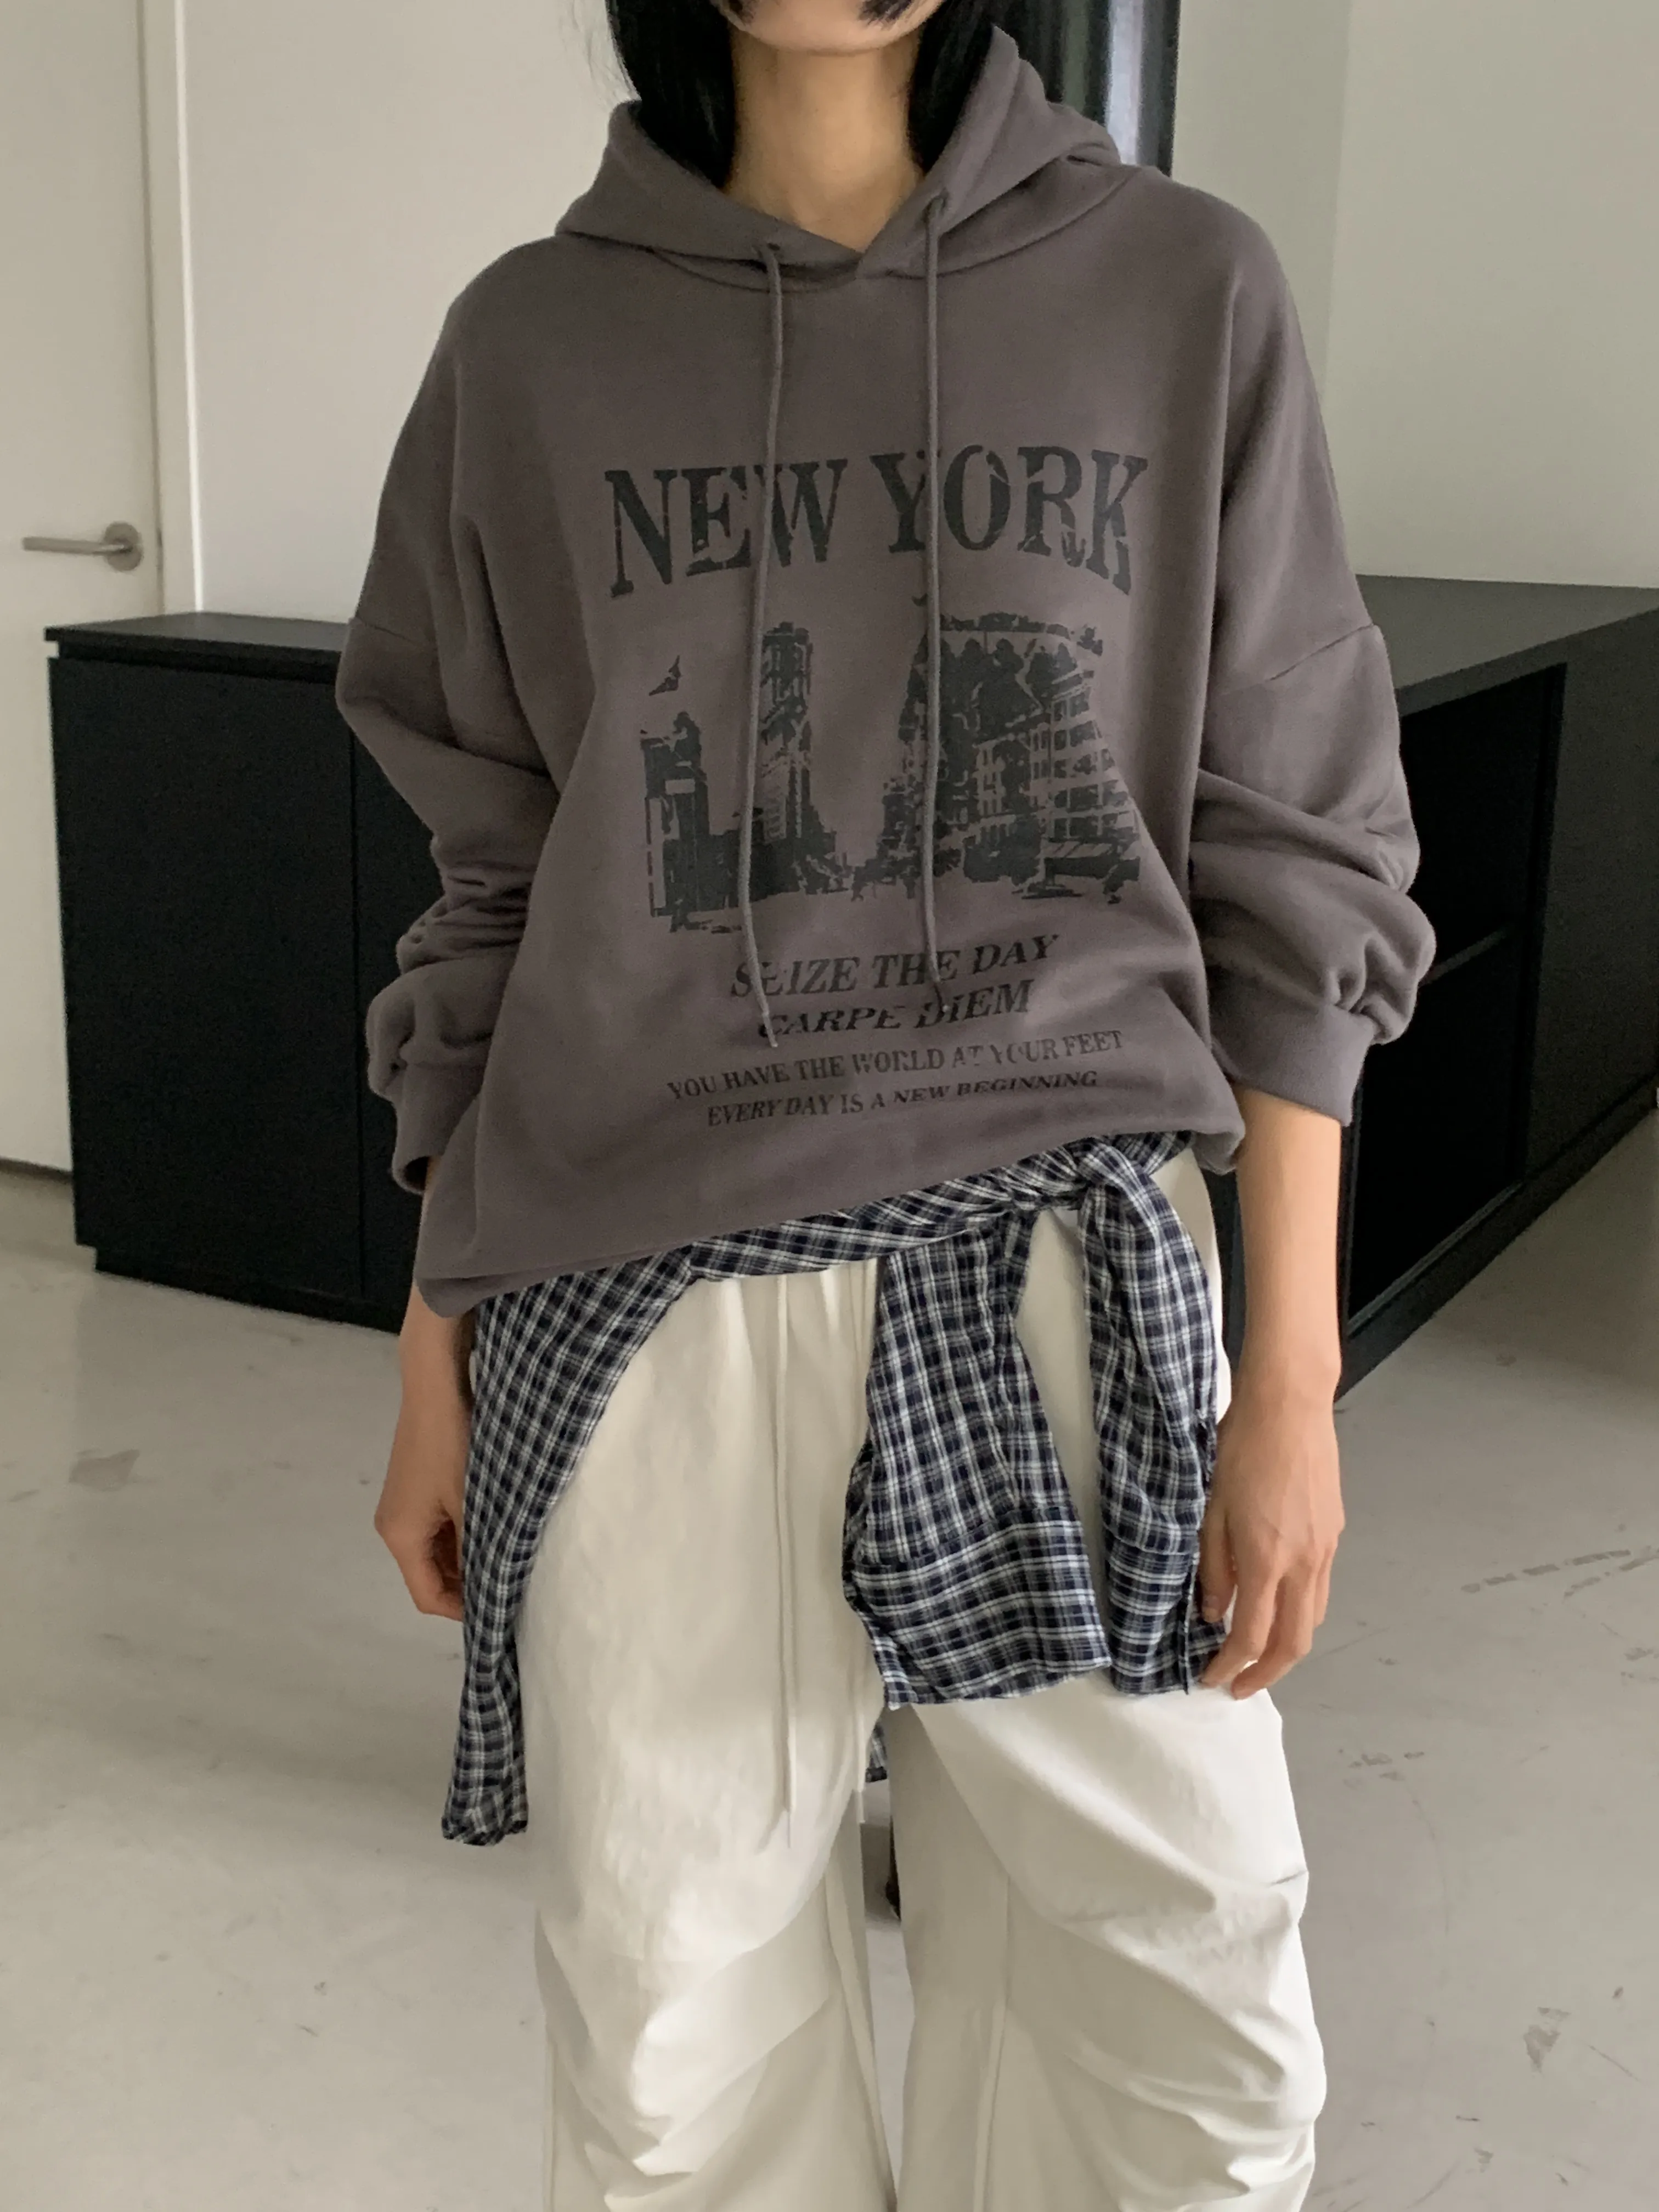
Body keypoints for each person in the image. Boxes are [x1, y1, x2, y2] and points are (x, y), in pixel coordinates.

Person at [336, 1, 1434, 2204]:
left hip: (1067, 1256)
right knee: (673, 2057)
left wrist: (1293, 1380)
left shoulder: (1181, 288)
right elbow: (495, 890)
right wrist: (436, 1338)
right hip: (637, 1284)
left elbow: (1298, 848)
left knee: (1189, 2036)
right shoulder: (527, 345)